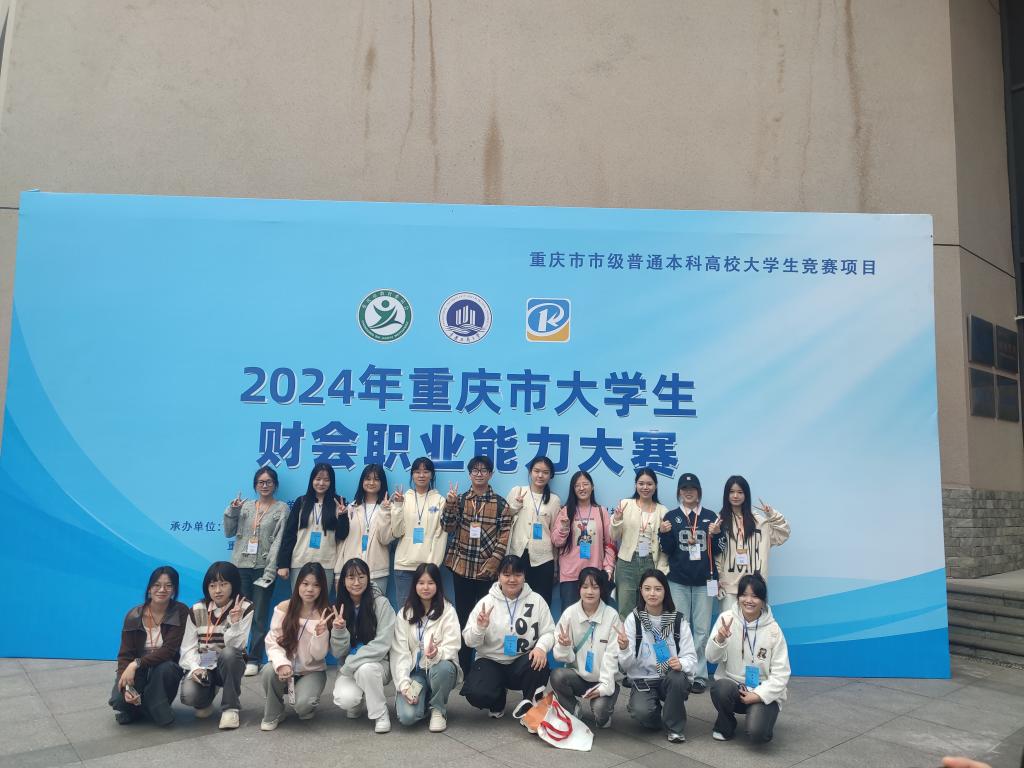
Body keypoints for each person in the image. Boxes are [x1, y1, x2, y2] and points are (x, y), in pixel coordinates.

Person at [442, 455, 513, 675]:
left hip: (487, 572)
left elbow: (505, 536)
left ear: (490, 474)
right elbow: (447, 527)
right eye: (475, 470)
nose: (479, 474)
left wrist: (493, 563)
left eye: (483, 470)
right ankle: (463, 668)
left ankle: (483, 667)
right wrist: (450, 504)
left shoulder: (501, 503)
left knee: (486, 619)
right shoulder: (460, 499)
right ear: (470, 474)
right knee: (463, 617)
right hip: (462, 568)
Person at [461, 555, 555, 718]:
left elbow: (549, 632)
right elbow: (469, 641)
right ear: (498, 576)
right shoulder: (486, 603)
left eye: (517, 575)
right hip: (491, 661)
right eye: (506, 574)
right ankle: (498, 699)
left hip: (521, 662)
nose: (512, 579)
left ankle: (530, 706)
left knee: (539, 663)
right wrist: (480, 627)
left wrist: (541, 648)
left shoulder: (537, 600)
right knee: (476, 693)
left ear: (524, 576)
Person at [658, 472, 723, 694]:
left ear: (699, 492)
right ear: (679, 492)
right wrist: (663, 533)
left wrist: (717, 534)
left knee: (702, 630)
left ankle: (700, 675)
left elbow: (720, 549)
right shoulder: (671, 516)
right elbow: (667, 549)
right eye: (684, 489)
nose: (688, 492)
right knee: (680, 628)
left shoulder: (710, 517)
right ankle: (683, 672)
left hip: (705, 581)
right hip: (678, 581)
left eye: (692, 489)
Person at [705, 573, 790, 743]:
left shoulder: (773, 630)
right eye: (744, 595)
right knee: (720, 688)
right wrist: (720, 639)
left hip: (762, 690)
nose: (749, 600)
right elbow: (711, 658)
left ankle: (762, 719)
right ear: (738, 597)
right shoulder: (726, 619)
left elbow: (781, 674)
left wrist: (759, 695)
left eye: (755, 596)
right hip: (734, 688)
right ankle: (726, 723)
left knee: (757, 734)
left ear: (763, 600)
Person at [223, 466, 289, 676]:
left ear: (275, 485)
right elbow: (228, 532)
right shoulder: (245, 507)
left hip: (263, 568)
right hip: (240, 566)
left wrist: (271, 569)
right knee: (240, 612)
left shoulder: (281, 509)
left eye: (269, 482)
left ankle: (254, 658)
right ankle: (236, 655)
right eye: (261, 482)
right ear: (255, 485)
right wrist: (232, 511)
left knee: (259, 614)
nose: (265, 485)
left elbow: (278, 541)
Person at [618, 569, 696, 743]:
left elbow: (691, 658)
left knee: (677, 678)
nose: (652, 593)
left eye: (658, 589)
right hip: (644, 679)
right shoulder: (633, 619)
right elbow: (626, 665)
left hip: (670, 677)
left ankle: (675, 728)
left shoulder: (678, 620)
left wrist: (681, 663)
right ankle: (659, 715)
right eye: (647, 589)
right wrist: (624, 648)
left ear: (665, 591)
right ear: (641, 591)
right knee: (642, 713)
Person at [109, 565, 189, 726]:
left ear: (174, 590)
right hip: (139, 670)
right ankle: (147, 707)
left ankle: (146, 708)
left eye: (168, 585)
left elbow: (169, 651)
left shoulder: (180, 611)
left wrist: (136, 663)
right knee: (119, 701)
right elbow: (125, 654)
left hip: (164, 668)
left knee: (167, 668)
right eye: (157, 585)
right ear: (149, 588)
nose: (162, 590)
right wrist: (127, 687)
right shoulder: (133, 615)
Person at [179, 561, 254, 729]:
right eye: (212, 585)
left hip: (229, 661)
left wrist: (234, 622)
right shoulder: (197, 609)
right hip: (204, 662)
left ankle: (230, 708)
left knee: (229, 653)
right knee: (189, 696)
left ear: (233, 584)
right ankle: (207, 696)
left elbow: (237, 646)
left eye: (223, 584)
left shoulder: (245, 607)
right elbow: (187, 647)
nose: (218, 590)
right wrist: (195, 668)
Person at [260, 562, 332, 730]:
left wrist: (320, 634)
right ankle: (274, 712)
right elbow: (273, 641)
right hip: (286, 669)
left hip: (311, 671)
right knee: (269, 671)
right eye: (305, 583)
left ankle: (307, 703)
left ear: (322, 588)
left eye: (316, 585)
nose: (309, 589)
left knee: (303, 708)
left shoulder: (325, 613)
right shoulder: (284, 607)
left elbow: (319, 655)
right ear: (298, 584)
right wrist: (282, 664)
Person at [391, 562, 461, 732]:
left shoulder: (448, 611)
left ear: (438, 585)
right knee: (407, 717)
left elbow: (453, 645)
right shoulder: (404, 614)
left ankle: (438, 709)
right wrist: (404, 685)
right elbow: (399, 653)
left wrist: (437, 653)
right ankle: (425, 697)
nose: (425, 587)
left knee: (443, 668)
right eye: (421, 583)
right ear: (414, 585)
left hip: (438, 668)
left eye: (431, 583)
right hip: (416, 673)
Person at [331, 557, 397, 733]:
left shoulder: (381, 603)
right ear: (343, 581)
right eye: (351, 578)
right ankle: (358, 699)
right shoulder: (340, 607)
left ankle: (380, 713)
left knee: (366, 669)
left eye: (361, 577)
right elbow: (338, 653)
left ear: (368, 578)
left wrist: (351, 663)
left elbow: (383, 643)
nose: (356, 582)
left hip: (377, 664)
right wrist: (339, 631)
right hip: (350, 667)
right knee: (345, 699)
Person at [551, 568, 620, 728]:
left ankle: (604, 708)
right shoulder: (570, 614)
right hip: (579, 677)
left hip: (602, 679)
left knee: (601, 715)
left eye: (595, 587)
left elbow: (612, 656)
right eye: (585, 587)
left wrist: (604, 687)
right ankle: (573, 707)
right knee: (557, 676)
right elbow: (561, 657)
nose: (590, 592)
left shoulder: (611, 615)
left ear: (601, 590)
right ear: (579, 589)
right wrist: (564, 646)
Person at [716, 476, 790, 610]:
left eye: (740, 492)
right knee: (729, 622)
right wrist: (717, 577)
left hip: (754, 586)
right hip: (728, 587)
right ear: (726, 494)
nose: (735, 496)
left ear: (746, 495)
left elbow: (782, 534)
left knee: (755, 623)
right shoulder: (719, 521)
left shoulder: (759, 521)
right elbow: (715, 554)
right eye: (731, 492)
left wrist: (772, 515)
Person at [276, 463, 349, 593]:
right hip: (300, 561)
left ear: (331, 482)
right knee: (300, 600)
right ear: (312, 480)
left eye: (326, 480)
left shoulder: (339, 502)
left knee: (322, 601)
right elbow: (289, 534)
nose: (321, 483)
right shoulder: (301, 502)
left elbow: (342, 535)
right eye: (318, 479)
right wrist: (283, 564)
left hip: (326, 563)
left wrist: (343, 516)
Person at [551, 470, 616, 610]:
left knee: (596, 617)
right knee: (570, 618)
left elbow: (610, 543)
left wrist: (608, 569)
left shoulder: (601, 511)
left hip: (595, 574)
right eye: (577, 485)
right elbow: (557, 542)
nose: (582, 488)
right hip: (570, 575)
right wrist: (564, 528)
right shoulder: (565, 511)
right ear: (573, 489)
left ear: (592, 487)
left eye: (585, 484)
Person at [611, 468, 669, 620]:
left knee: (649, 608)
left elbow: (665, 547)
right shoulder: (625, 504)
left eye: (649, 484)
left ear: (655, 486)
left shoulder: (662, 510)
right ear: (635, 485)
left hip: (650, 562)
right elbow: (614, 536)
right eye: (641, 483)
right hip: (626, 563)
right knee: (625, 609)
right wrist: (617, 519)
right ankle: (626, 636)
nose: (645, 487)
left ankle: (645, 636)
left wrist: (661, 568)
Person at [505, 456, 561, 606]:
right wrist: (515, 505)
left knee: (541, 603)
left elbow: (555, 535)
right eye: (536, 471)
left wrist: (556, 567)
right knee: (514, 601)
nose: (540, 475)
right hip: (518, 555)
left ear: (550, 476)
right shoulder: (518, 491)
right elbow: (504, 519)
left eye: (545, 472)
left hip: (544, 559)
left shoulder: (554, 500)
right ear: (530, 472)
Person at [391, 457, 447, 605]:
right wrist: (397, 506)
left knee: (427, 610)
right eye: (417, 472)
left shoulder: (440, 500)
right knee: (405, 611)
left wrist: (432, 565)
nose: (421, 475)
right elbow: (396, 532)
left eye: (426, 471)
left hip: (428, 568)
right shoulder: (403, 498)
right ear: (412, 475)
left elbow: (440, 536)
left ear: (432, 475)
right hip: (403, 566)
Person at [337, 464, 392, 597]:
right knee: (349, 608)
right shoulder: (351, 508)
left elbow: (386, 539)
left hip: (377, 571)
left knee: (376, 607)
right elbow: (342, 540)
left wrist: (385, 511)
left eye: (376, 479)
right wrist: (339, 572)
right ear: (362, 481)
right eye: (368, 479)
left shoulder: (389, 508)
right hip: (350, 571)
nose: (371, 483)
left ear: (382, 483)